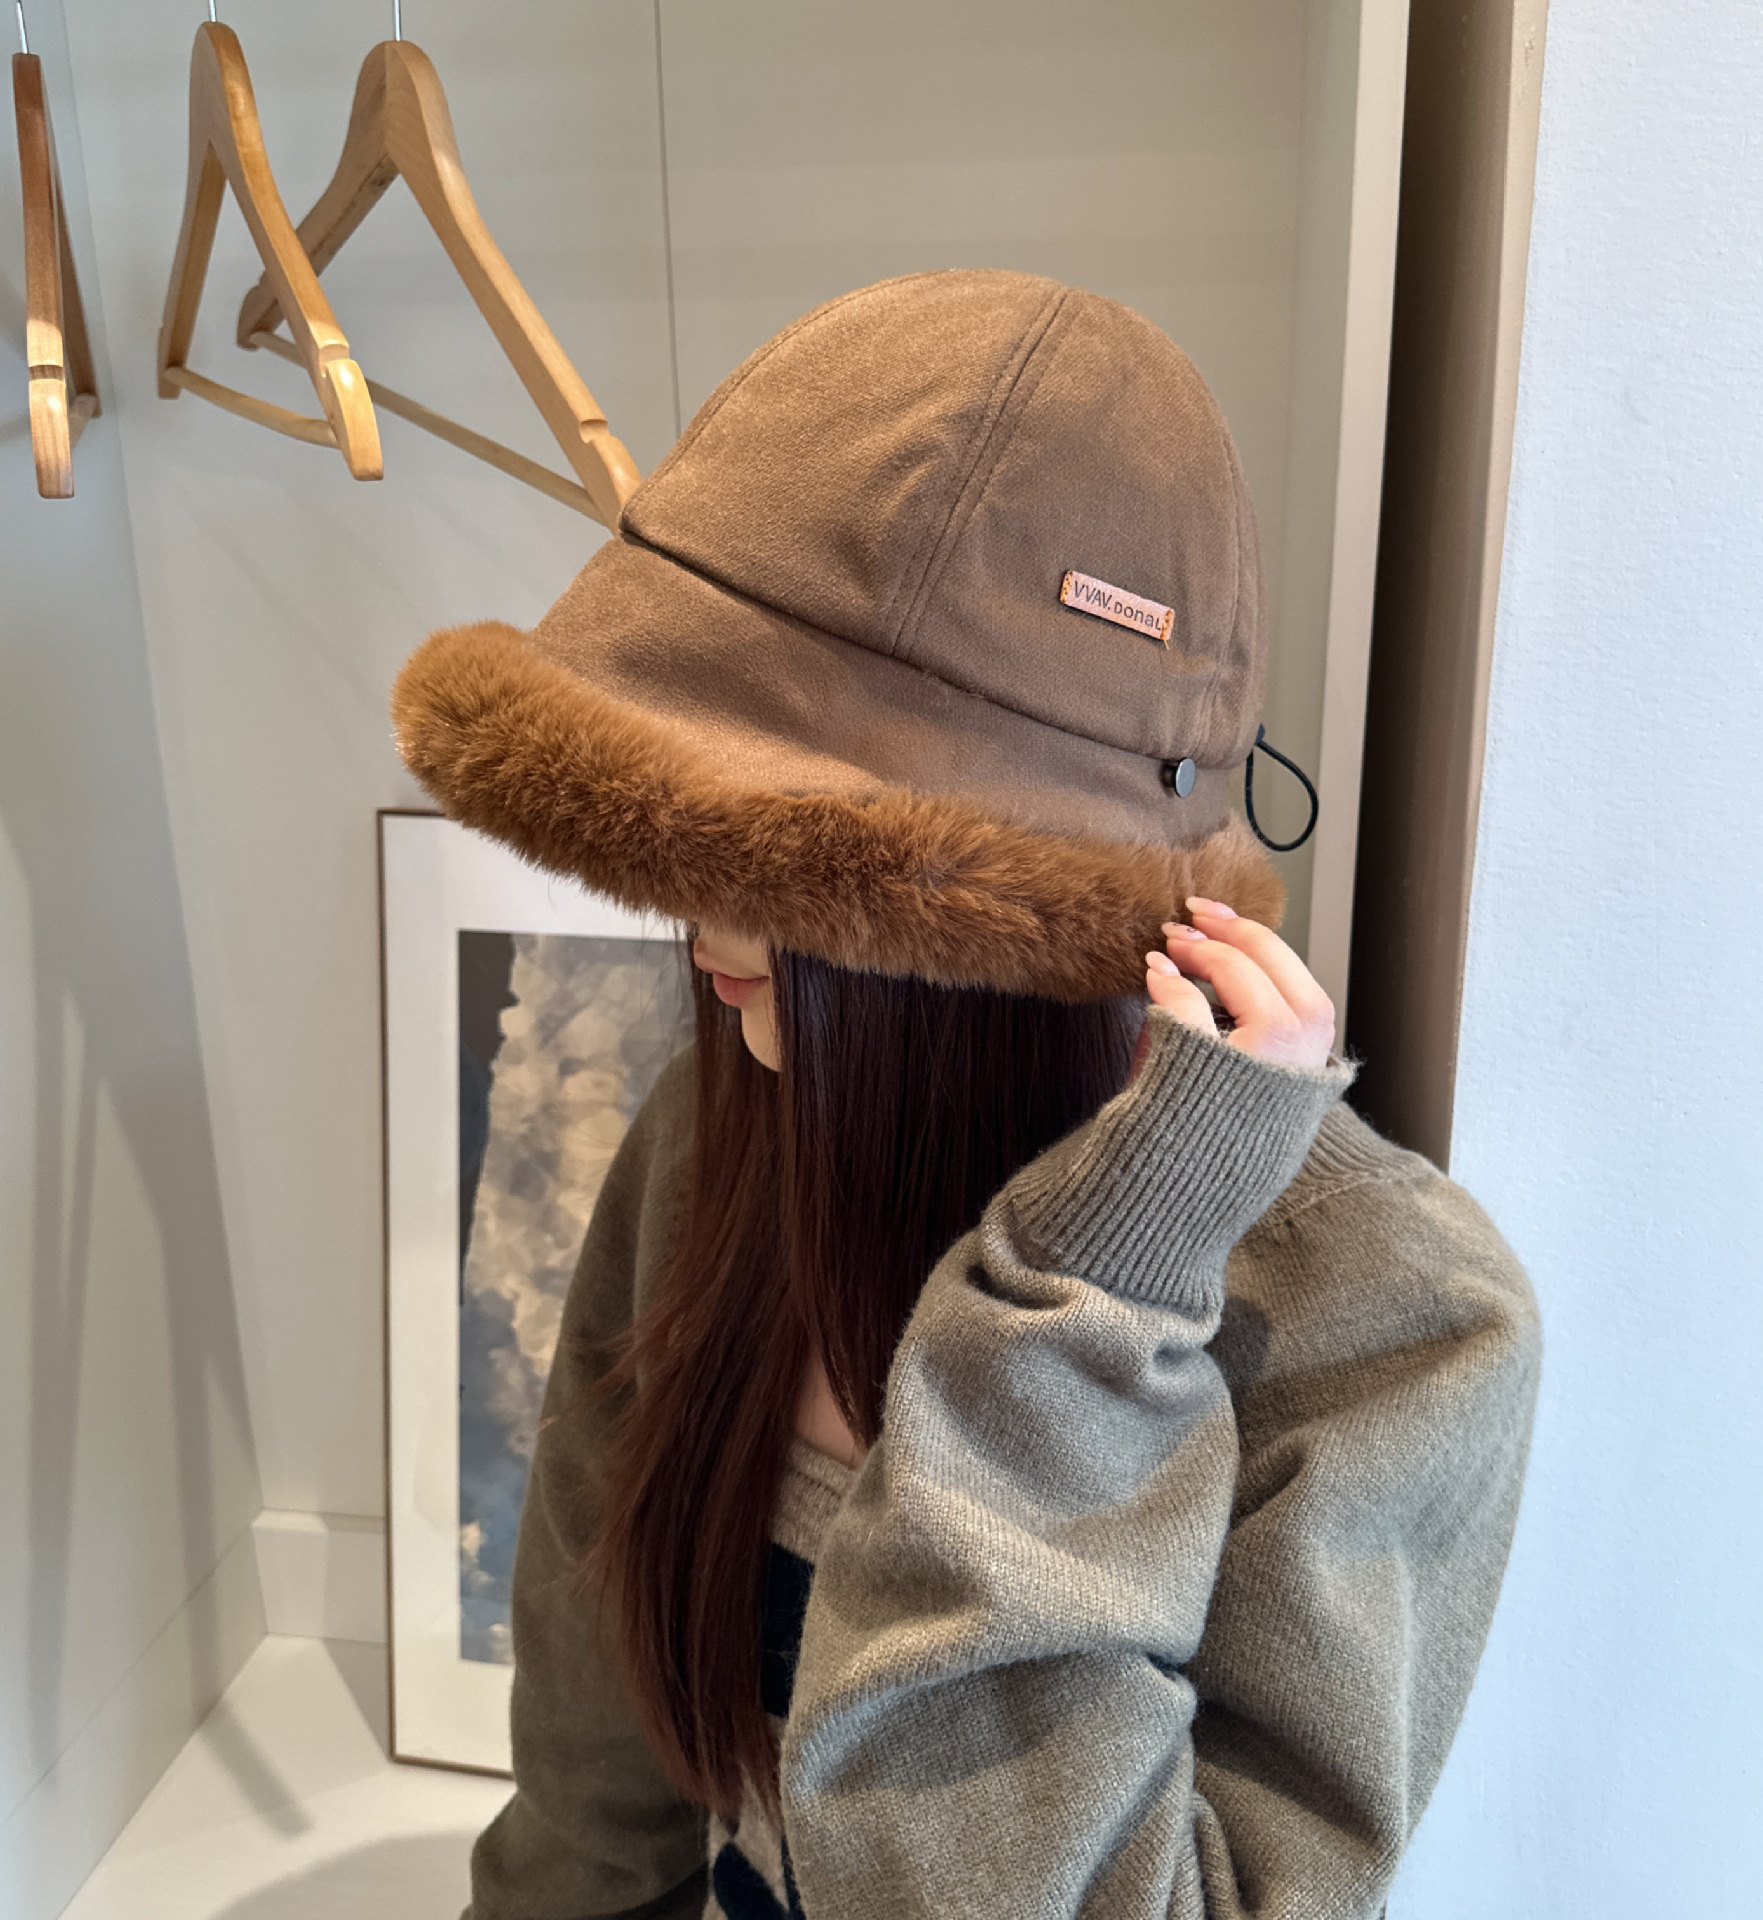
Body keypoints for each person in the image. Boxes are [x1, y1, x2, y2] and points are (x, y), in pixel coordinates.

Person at [391, 269, 1541, 1920]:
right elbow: (597, 1774)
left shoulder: (1391, 1323)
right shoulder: (719, 1136)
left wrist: (1090, 1314)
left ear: (964, 913)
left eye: (764, 855)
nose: (692, 924)